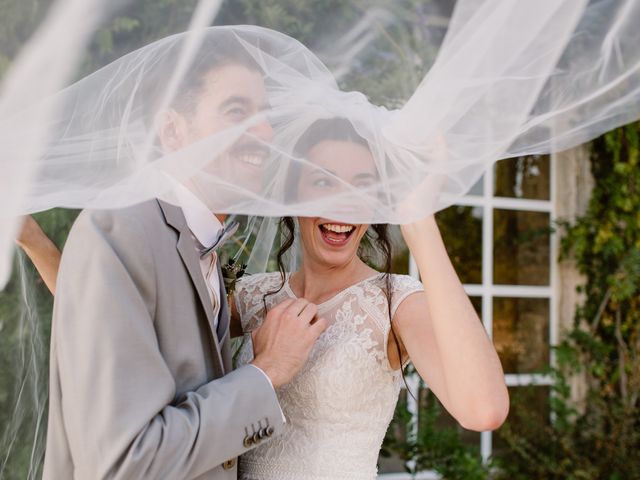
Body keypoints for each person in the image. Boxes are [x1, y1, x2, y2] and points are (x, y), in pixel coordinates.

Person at [33, 36, 327, 480]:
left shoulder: (199, 237)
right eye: (236, 111)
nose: (265, 133)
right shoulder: (118, 231)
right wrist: (264, 373)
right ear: (172, 131)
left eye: (265, 115)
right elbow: (127, 462)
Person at [231, 118, 509, 479]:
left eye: (361, 186)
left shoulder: (394, 303)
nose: (344, 204)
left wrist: (419, 222)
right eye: (322, 182)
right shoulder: (252, 296)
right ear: (293, 195)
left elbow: (482, 409)